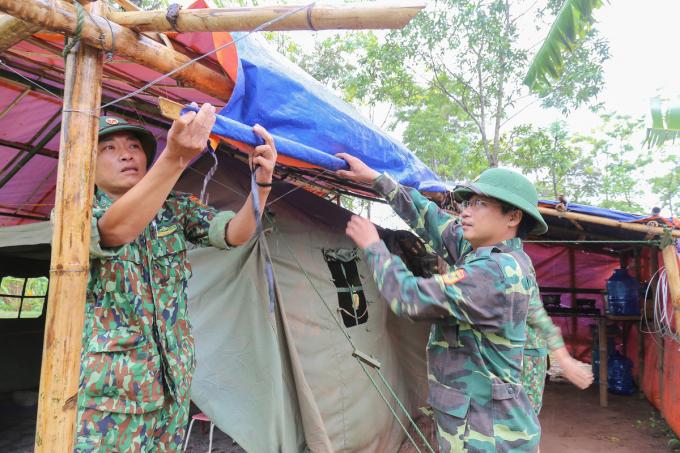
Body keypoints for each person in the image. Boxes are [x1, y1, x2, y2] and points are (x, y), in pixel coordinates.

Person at [75, 103, 277, 452]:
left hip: (173, 388)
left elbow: (234, 233)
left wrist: (262, 184)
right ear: (87, 165)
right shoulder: (74, 211)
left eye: (134, 146)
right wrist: (175, 158)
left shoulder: (174, 208)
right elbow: (115, 230)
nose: (126, 154)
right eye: (109, 148)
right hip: (111, 401)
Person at [336, 154, 545, 452]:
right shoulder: (488, 253)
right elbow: (432, 219)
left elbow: (410, 298)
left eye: (479, 204)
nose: (466, 211)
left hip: (488, 439)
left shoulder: (495, 273)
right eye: (467, 202)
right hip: (478, 425)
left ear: (513, 218)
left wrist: (373, 247)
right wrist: (376, 179)